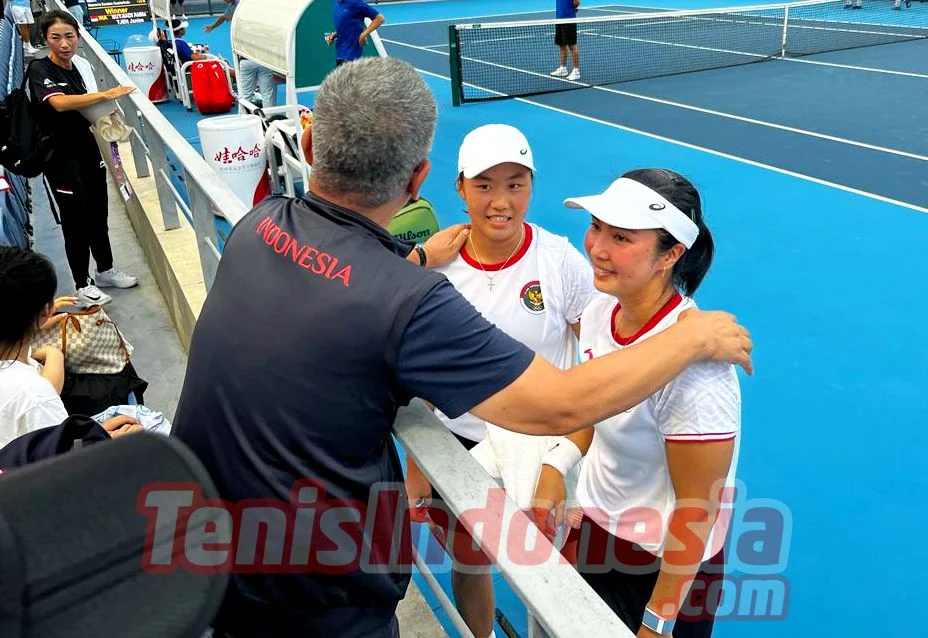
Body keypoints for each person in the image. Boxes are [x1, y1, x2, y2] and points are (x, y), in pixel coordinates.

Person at [171, 57, 752, 638]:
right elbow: (564, 404)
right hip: (316, 591)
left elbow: (338, 279)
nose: (598, 247)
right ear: (421, 179)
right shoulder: (409, 298)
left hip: (201, 545)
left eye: (516, 183)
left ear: (308, 143)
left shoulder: (258, 225)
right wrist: (690, 336)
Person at [405, 123, 595, 638]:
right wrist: (418, 462)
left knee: (557, 576)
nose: (501, 202)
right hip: (458, 445)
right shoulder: (438, 271)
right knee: (470, 561)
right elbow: (423, 371)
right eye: (485, 185)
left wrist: (567, 458)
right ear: (461, 188)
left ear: (531, 185)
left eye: (516, 184)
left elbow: (596, 360)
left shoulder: (559, 260)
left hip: (543, 446)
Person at [533, 169, 741, 637]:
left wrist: (657, 621)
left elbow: (696, 510)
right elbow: (593, 402)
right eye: (597, 227)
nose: (597, 248)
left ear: (671, 255)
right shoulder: (599, 311)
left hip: (666, 569)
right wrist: (555, 465)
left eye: (622, 237)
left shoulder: (699, 374)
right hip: (597, 530)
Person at [28, 10, 138, 307]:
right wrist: (107, 95)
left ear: (78, 36)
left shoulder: (82, 65)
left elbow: (86, 105)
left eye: (69, 36)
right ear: (45, 39)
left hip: (86, 147)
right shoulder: (40, 69)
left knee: (98, 212)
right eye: (56, 37)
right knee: (75, 220)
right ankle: (82, 284)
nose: (64, 44)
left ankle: (105, 270)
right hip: (58, 156)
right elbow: (60, 103)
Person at [0, 247, 142, 448]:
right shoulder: (35, 396)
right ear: (46, 309)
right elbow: (58, 460)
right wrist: (98, 441)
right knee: (121, 382)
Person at [324, 0, 385, 65]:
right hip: (339, 54)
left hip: (352, 56)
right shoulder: (335, 2)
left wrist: (364, 34)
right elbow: (346, 24)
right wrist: (333, 35)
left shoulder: (356, 2)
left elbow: (380, 18)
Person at [550, 0, 580, 81]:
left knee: (572, 46)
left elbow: (577, 2)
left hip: (569, 20)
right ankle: (563, 69)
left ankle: (576, 72)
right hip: (559, 19)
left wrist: (573, 8)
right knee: (562, 44)